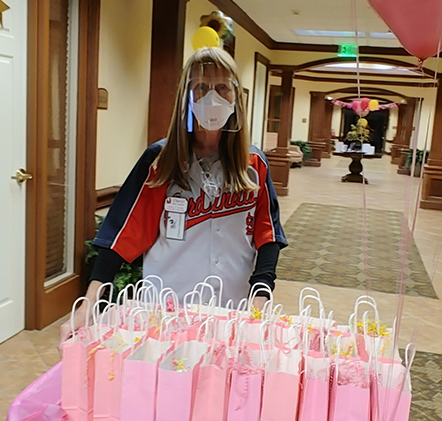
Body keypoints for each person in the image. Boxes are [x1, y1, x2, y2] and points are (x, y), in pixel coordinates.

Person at [60, 47, 287, 345]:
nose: (212, 98)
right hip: (166, 304)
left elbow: (267, 235)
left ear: (236, 98)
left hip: (233, 305)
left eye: (222, 88)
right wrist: (88, 303)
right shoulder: (161, 161)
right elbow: (122, 233)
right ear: (186, 97)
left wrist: (259, 296)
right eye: (201, 88)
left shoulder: (253, 164)